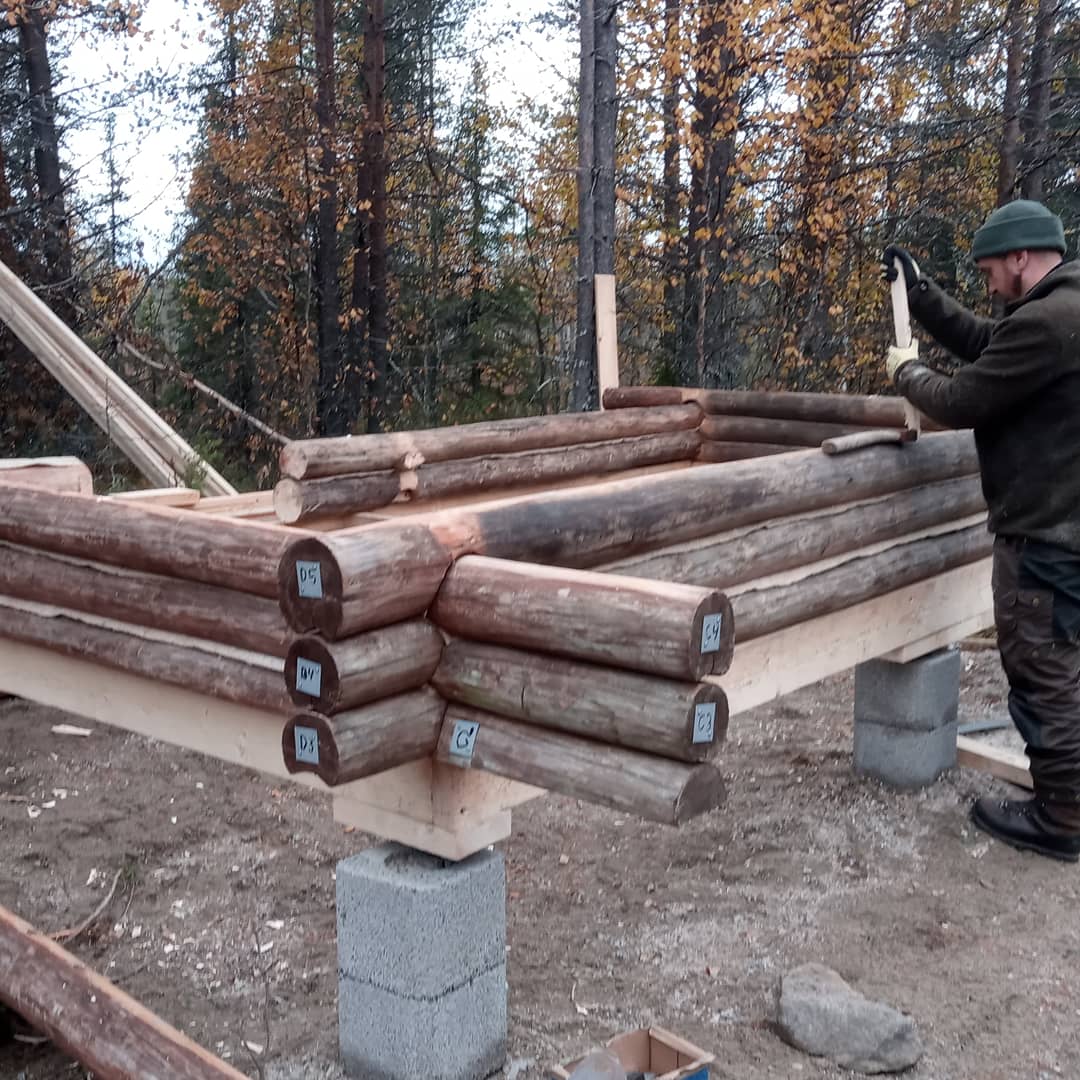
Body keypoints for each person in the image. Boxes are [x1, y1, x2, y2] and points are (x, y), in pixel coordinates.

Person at [882, 199, 1080, 862]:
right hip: (1065, 529)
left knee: (1042, 668)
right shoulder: (1061, 312)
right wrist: (922, 295)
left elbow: (963, 399)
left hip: (1044, 538)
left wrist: (906, 371)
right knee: (1064, 665)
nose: (989, 283)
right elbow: (987, 344)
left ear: (1021, 259)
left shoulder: (1049, 323)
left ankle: (1063, 816)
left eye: (992, 270)